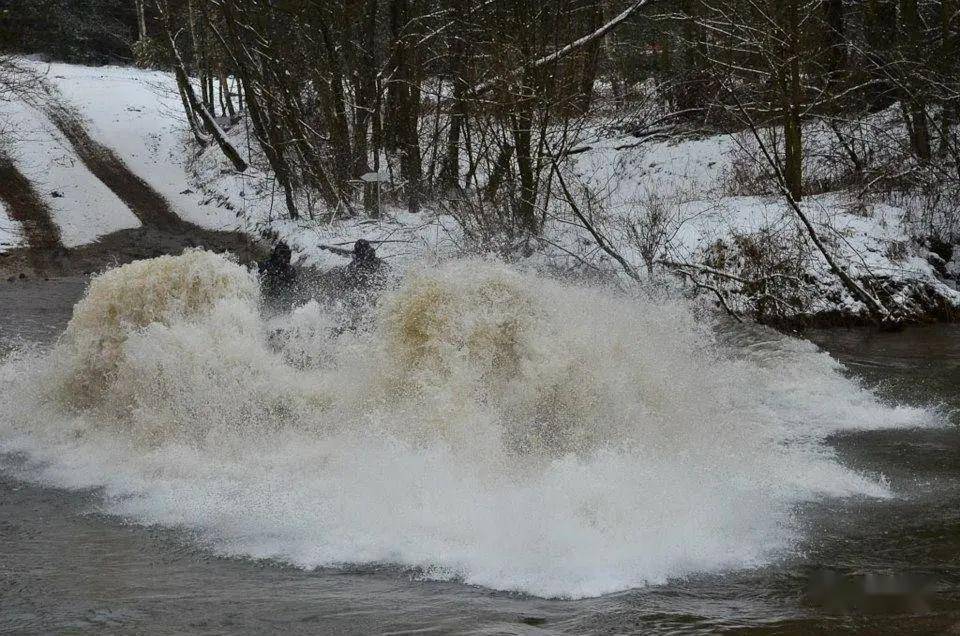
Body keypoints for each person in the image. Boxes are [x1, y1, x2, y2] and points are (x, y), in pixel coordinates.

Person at [258, 241, 298, 307]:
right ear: (276, 254)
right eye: (282, 253)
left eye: (286, 254)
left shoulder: (291, 270)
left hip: (283, 300)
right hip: (267, 296)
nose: (284, 257)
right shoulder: (267, 265)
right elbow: (258, 280)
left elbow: (294, 288)